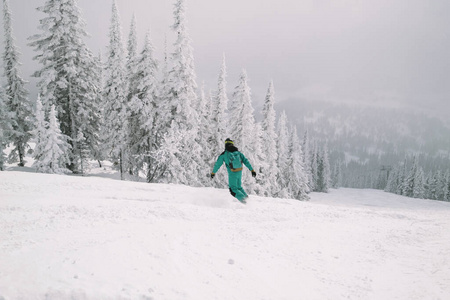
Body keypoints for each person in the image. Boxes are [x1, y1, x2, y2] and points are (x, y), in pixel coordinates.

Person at [211, 138, 256, 203]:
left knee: (233, 189)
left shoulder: (224, 154)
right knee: (239, 187)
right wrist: (252, 170)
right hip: (239, 172)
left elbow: (217, 164)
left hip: (232, 173)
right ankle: (247, 200)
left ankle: (245, 202)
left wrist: (213, 172)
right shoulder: (238, 153)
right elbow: (246, 161)